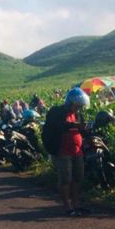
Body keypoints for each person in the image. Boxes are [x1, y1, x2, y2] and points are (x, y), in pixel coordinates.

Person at [42, 87, 90, 216]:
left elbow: (82, 129)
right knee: (65, 179)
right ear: (70, 102)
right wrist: (73, 126)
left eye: (80, 106)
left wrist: (86, 129)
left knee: (78, 177)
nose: (78, 108)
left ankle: (76, 204)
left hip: (77, 150)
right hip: (63, 150)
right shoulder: (56, 112)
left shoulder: (78, 114)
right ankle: (67, 206)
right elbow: (56, 126)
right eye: (77, 105)